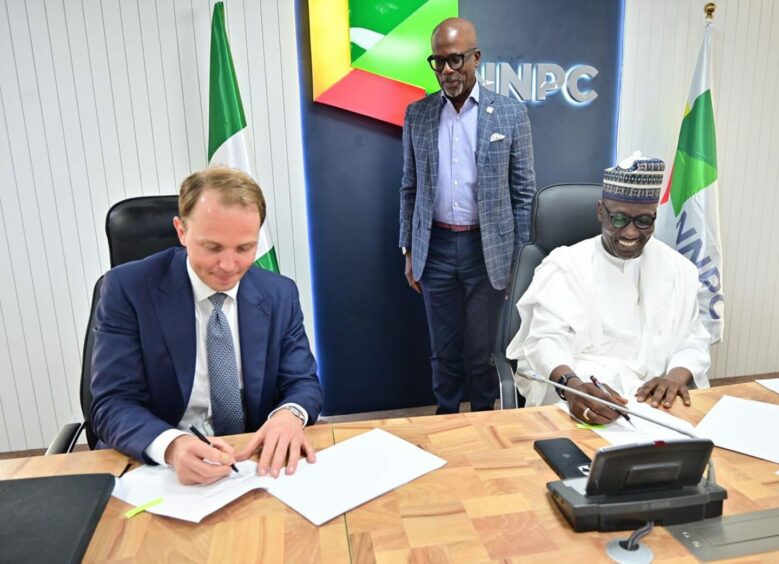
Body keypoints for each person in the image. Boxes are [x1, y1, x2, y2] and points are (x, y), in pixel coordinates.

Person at [91, 166, 322, 484]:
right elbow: (111, 403)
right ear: (181, 231)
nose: (229, 266)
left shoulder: (279, 293)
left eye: (244, 248)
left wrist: (289, 415)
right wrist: (172, 446)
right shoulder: (127, 289)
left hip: (249, 467)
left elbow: (303, 382)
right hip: (158, 471)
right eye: (212, 247)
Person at [506, 154, 710, 423]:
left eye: (644, 221)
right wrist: (572, 387)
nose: (630, 233)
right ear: (601, 211)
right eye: (619, 219)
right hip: (583, 394)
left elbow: (692, 339)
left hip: (655, 403)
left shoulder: (678, 269)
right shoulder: (566, 264)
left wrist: (673, 377)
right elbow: (546, 339)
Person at [399, 17, 536, 414]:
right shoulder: (418, 114)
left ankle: (480, 423)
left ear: (476, 58)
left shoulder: (510, 114)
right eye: (438, 62)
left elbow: (523, 193)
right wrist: (408, 248)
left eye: (456, 61)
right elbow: (409, 187)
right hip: (435, 248)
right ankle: (445, 422)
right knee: (443, 355)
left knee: (481, 354)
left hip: (486, 251)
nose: (447, 71)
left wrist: (519, 261)